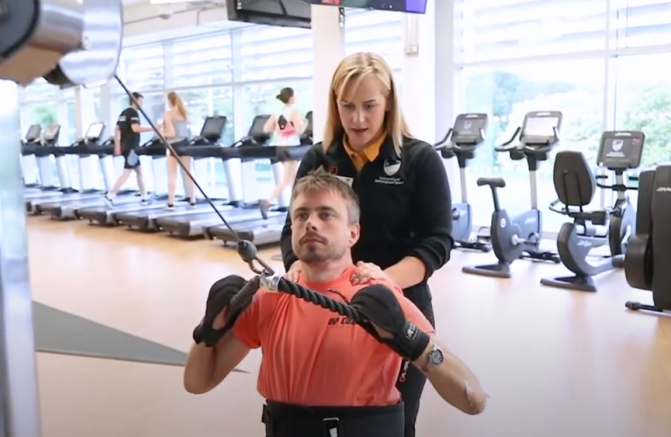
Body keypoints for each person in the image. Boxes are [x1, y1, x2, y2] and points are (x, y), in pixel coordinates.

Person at [183, 169, 487, 437]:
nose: (311, 223)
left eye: (326, 214)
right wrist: (208, 330)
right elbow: (198, 382)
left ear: (353, 233)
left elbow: (473, 400)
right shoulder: (270, 299)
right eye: (301, 215)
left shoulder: (377, 295)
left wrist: (411, 340)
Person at [279, 52, 455, 437]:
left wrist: (380, 282)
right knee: (327, 416)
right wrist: (294, 266)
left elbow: (438, 242)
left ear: (389, 103)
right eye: (348, 107)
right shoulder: (319, 158)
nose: (358, 119)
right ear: (335, 106)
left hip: (398, 307)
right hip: (325, 310)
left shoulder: (419, 160)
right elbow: (289, 228)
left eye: (370, 106)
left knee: (393, 422)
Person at [259, 87, 308, 220]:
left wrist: (278, 128)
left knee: (292, 180)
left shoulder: (277, 112)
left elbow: (265, 129)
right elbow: (299, 131)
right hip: (291, 148)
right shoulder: (294, 111)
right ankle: (267, 201)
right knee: (287, 180)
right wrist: (305, 123)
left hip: (279, 148)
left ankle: (296, 208)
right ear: (291, 97)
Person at [104, 92, 154, 208]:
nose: (141, 104)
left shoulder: (124, 112)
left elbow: (116, 129)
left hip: (126, 147)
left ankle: (144, 197)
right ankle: (110, 195)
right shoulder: (133, 112)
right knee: (127, 173)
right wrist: (153, 128)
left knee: (139, 173)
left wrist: (117, 145)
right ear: (135, 100)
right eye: (140, 101)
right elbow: (135, 128)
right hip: (131, 148)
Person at [163, 91, 195, 210]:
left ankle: (171, 203)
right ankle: (193, 201)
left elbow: (171, 133)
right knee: (188, 174)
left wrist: (161, 132)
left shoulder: (168, 114)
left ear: (169, 101)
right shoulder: (184, 113)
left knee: (172, 175)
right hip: (185, 144)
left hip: (174, 145)